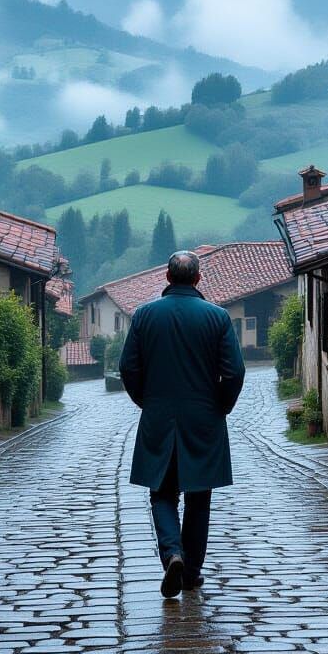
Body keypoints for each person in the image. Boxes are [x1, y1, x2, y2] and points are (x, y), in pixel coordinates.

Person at [119, 250, 246, 598]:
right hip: (204, 418)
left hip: (158, 417)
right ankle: (190, 572)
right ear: (198, 279)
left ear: (167, 277)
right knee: (198, 496)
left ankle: (172, 552)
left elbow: (128, 367)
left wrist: (146, 400)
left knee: (161, 493)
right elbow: (234, 371)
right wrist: (220, 406)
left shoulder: (144, 317)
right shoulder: (217, 318)